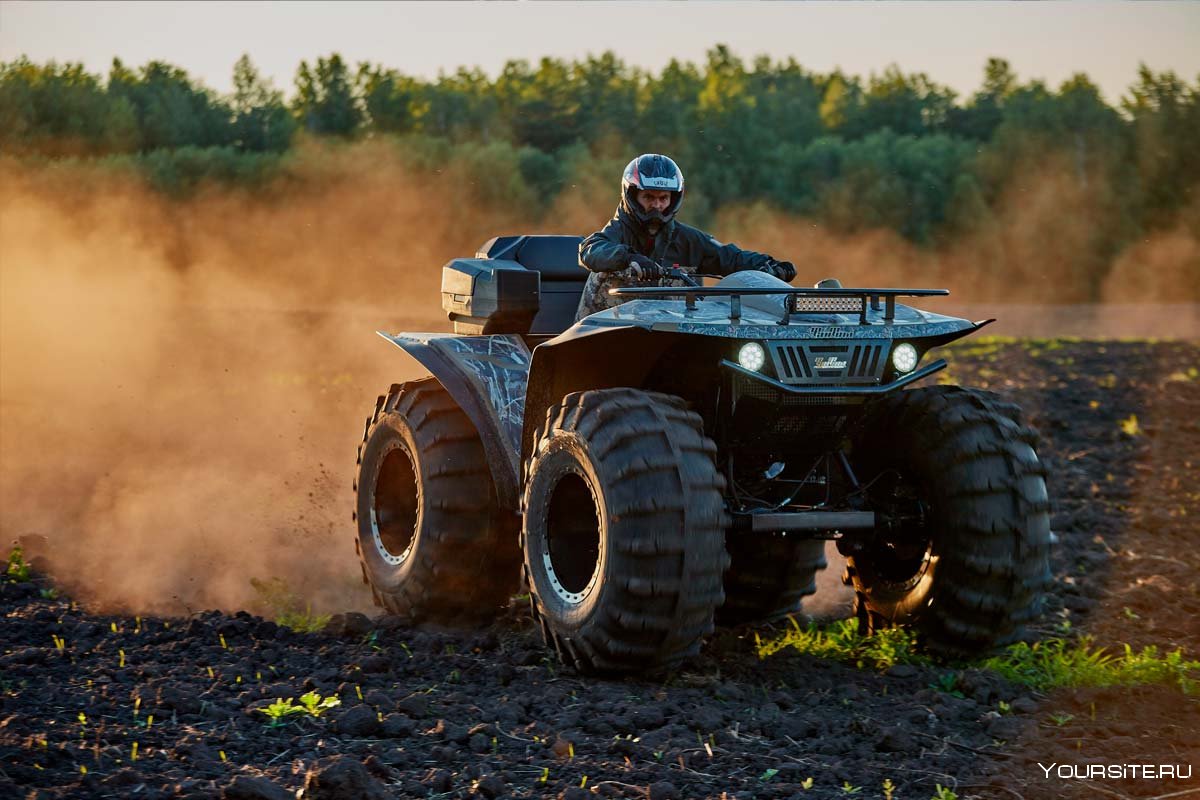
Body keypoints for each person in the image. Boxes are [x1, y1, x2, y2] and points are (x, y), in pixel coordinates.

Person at [575, 153, 796, 319]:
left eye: (663, 198)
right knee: (603, 272)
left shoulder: (689, 239)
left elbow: (730, 257)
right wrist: (628, 258)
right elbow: (590, 250)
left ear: (674, 198)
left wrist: (768, 266)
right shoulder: (615, 231)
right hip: (606, 336)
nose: (657, 205)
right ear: (632, 196)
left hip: (671, 339)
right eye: (649, 197)